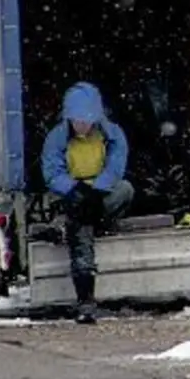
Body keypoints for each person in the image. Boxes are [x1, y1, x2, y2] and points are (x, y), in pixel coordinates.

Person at [40, 82, 133, 324]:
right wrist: (73, 189)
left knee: (125, 190)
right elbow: (52, 172)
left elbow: (116, 168)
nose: (81, 125)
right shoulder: (57, 138)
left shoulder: (111, 135)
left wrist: (97, 189)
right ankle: (85, 298)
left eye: (86, 120)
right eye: (76, 120)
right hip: (72, 195)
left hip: (101, 195)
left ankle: (81, 226)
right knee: (80, 224)